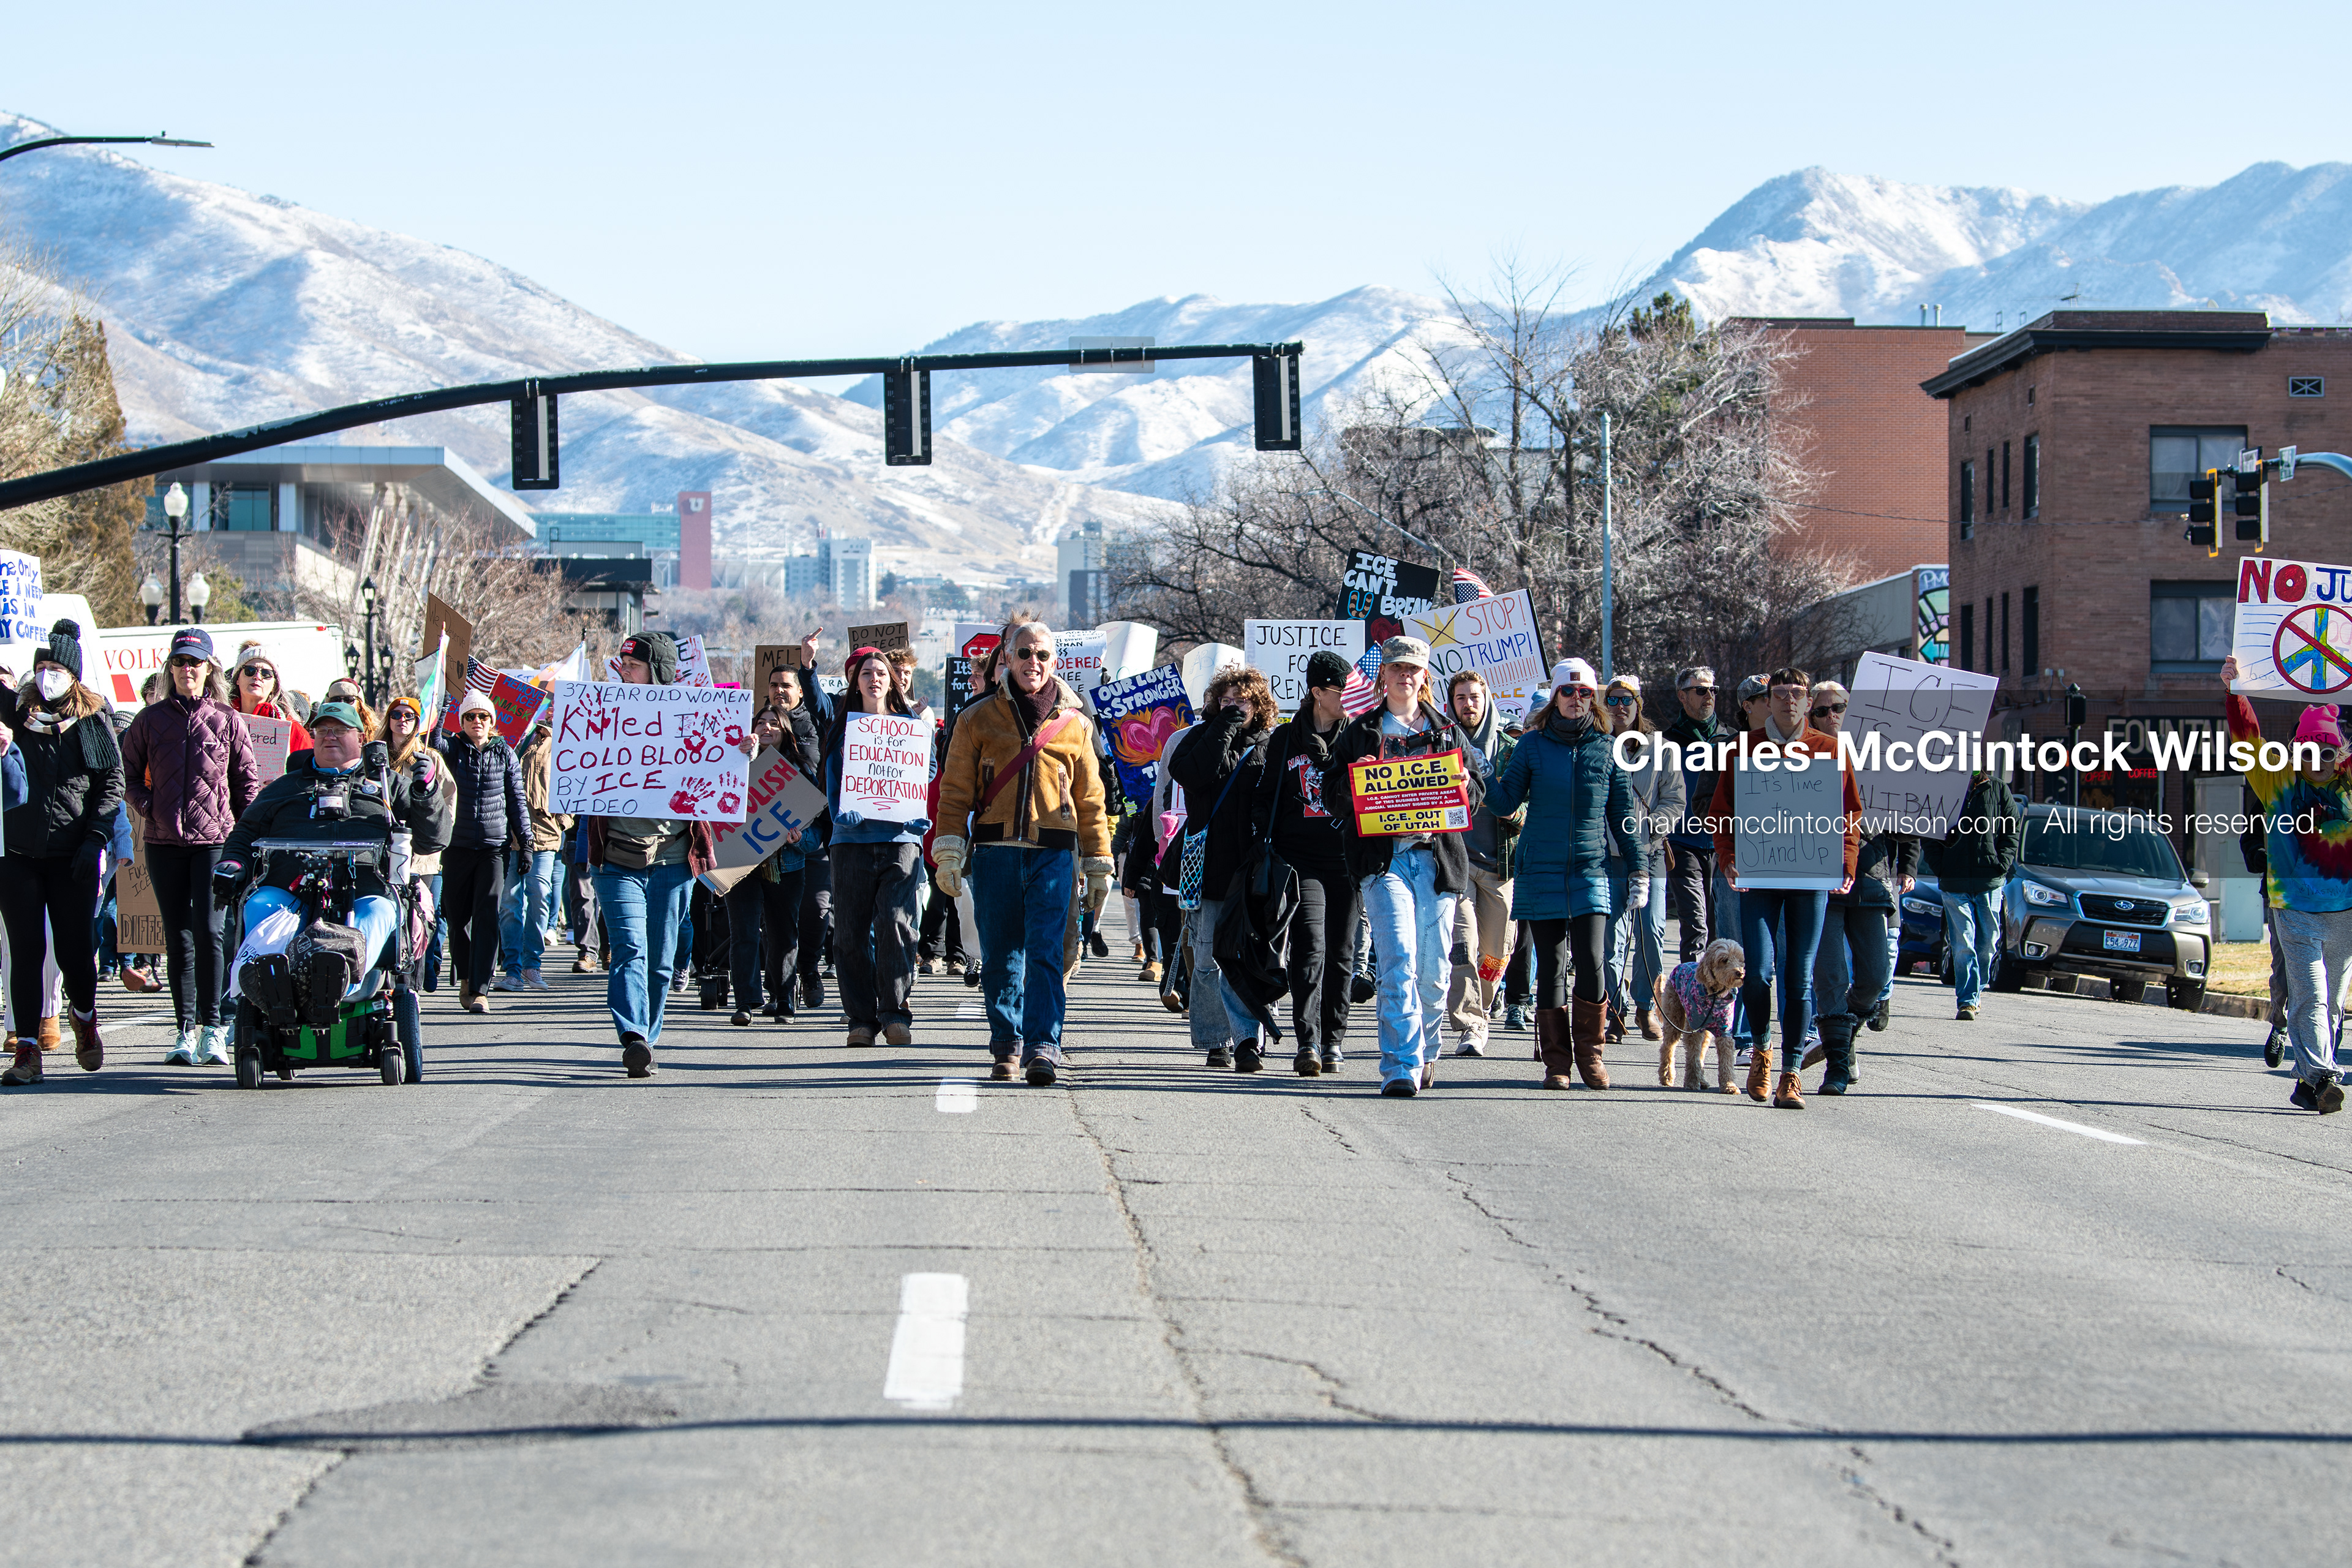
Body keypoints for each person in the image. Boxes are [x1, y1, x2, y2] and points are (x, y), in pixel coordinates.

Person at [933, 617, 1112, 1084]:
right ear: (1007, 659)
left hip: (1054, 854)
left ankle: (1042, 1047)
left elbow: (1092, 800)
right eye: (1025, 653)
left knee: (1048, 953)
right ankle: (1006, 1045)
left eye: (1043, 655)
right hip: (994, 853)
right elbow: (953, 792)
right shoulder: (974, 718)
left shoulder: (1075, 724)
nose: (1034, 662)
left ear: (1055, 662)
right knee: (1001, 955)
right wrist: (949, 852)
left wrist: (1098, 866)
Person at [1324, 636, 1488, 1097]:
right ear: (1384, 675)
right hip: (1384, 863)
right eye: (1396, 667)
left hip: (1435, 863)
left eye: (1412, 669)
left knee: (1434, 974)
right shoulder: (1359, 731)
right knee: (1397, 962)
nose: (1404, 675)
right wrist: (1355, 780)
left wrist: (1462, 783)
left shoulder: (1448, 731)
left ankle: (1427, 1049)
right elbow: (1329, 795)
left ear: (1424, 677)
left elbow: (1474, 798)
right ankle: (1399, 1065)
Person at [216, 699, 451, 1011]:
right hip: (291, 886)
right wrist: (233, 863)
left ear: (361, 738)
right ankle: (271, 987)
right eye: (323, 730)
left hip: (366, 887)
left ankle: (336, 978)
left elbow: (432, 840)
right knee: (259, 904)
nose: (330, 736)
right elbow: (244, 834)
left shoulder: (387, 785)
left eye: (341, 730)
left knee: (381, 912)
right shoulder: (284, 787)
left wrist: (426, 794)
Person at [1710, 667, 1863, 1109]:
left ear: (1808, 701)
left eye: (1798, 694)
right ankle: (1761, 1050)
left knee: (1798, 977)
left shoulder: (1830, 750)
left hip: (1809, 876)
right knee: (1757, 970)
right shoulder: (1744, 748)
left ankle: (1791, 1072)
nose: (1789, 701)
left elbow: (1850, 813)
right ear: (1769, 699)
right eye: (1781, 694)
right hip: (1760, 874)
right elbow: (1722, 811)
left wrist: (1846, 862)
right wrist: (1729, 858)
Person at [1487, 658, 1635, 1092]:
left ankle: (1591, 1054)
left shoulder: (1608, 748)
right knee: (1549, 964)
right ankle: (1557, 1061)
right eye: (1568, 692)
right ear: (1555, 696)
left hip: (1590, 869)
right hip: (1542, 867)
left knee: (1592, 961)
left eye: (1585, 692)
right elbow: (1505, 800)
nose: (1576, 699)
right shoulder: (1531, 746)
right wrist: (1476, 776)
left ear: (1595, 698)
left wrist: (1641, 868)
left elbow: (1622, 814)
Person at [119, 627, 261, 1067]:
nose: (187, 670)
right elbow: (127, 776)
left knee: (211, 931)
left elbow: (248, 784)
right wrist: (150, 807)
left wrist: (244, 837)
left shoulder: (226, 719)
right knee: (178, 936)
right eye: (180, 662)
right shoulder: (149, 720)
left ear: (209, 669)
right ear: (170, 669)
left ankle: (214, 1028)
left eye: (194, 663)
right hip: (163, 842)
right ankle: (185, 1030)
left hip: (214, 843)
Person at [580, 633, 718, 1077]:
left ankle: (648, 1035)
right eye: (622, 665)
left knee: (661, 960)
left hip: (674, 861)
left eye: (634, 666)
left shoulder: (693, 720)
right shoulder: (601, 716)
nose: (624, 672)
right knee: (629, 948)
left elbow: (717, 776)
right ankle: (633, 1035)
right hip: (616, 860)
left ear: (658, 671)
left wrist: (740, 754)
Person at [2220, 654, 2352, 1114]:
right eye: (2308, 751)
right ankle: (2321, 1075)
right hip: (2293, 907)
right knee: (2311, 994)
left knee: (2332, 1003)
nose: (2318, 760)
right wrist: (2237, 693)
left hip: (2345, 912)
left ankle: (2307, 1083)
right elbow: (2247, 740)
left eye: (2327, 752)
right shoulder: (2276, 779)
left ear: (2341, 755)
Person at [0, 624, 124, 1085]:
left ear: (73, 676)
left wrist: (96, 837)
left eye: (56, 668)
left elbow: (112, 784)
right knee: (27, 949)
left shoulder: (90, 721)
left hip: (73, 852)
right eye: (42, 668)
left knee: (75, 952)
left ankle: (84, 1015)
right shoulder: (15, 713)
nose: (47, 675)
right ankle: (27, 1051)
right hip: (17, 853)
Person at [1803, 679, 1915, 1095]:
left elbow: (1912, 814)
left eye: (1841, 707)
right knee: (1830, 975)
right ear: (1810, 715)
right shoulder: (1797, 756)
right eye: (1823, 710)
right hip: (1818, 882)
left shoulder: (1881, 757)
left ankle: (1843, 1035)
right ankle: (1837, 1063)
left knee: (1875, 975)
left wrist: (1910, 864)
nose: (1834, 716)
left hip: (1869, 879)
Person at [1169, 663, 1280, 1072]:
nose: (1233, 706)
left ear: (1259, 705)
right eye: (1225, 700)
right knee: (1207, 958)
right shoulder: (1199, 737)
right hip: (1208, 864)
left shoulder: (1271, 743)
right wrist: (1222, 728)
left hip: (1253, 867)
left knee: (1250, 956)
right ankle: (1217, 1039)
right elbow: (1193, 777)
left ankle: (1249, 1038)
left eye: (1242, 701)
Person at [1256, 650, 1362, 1076]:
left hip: (1347, 859)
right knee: (1310, 948)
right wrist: (1272, 845)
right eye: (1343, 691)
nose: (1351, 698)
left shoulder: (1359, 735)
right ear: (1318, 693)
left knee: (1342, 952)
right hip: (1300, 861)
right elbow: (1264, 798)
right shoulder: (1284, 740)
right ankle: (1308, 1042)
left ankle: (1334, 1039)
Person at [821, 647, 933, 1047]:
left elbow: (928, 771)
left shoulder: (911, 724)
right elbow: (832, 777)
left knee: (895, 924)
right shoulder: (843, 728)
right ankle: (861, 1020)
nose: (874, 678)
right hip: (851, 841)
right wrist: (840, 813)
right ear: (857, 682)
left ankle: (895, 1013)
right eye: (866, 672)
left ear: (892, 681)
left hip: (901, 839)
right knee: (849, 934)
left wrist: (918, 810)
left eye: (881, 672)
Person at [728, 661, 818, 1025]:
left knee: (784, 933)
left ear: (785, 733)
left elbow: (816, 834)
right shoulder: (734, 767)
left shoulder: (801, 775)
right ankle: (746, 1001)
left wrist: (800, 840)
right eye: (760, 723)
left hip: (787, 865)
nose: (765, 728)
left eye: (773, 725)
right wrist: (743, 758)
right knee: (745, 933)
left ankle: (783, 998)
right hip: (740, 862)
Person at [1441, 669, 1521, 1059]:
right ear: (1451, 704)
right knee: (1464, 946)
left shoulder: (1510, 748)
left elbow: (1526, 807)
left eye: (1475, 697)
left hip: (1501, 865)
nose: (1468, 704)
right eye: (1461, 698)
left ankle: (1482, 1009)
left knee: (1495, 954)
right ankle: (1470, 1023)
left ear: (1487, 700)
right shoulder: (1439, 745)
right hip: (1458, 862)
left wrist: (1499, 799)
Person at [434, 690, 527, 1014]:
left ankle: (479, 989)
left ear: (492, 723)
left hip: (493, 848)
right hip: (456, 847)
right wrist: (441, 705)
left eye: (483, 717)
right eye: (470, 717)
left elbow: (517, 800)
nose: (477, 722)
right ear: (461, 722)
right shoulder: (453, 749)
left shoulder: (506, 754)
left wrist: (526, 842)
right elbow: (432, 743)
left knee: (487, 915)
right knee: (457, 918)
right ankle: (464, 976)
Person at [1602, 674, 1680, 1052]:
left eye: (1626, 700)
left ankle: (1646, 1005)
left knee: (1653, 932)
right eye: (1613, 700)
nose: (1620, 707)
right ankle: (1613, 1009)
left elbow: (1675, 800)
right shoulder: (1596, 746)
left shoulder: (1662, 749)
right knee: (1610, 938)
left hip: (1650, 854)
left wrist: (1647, 828)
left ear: (1638, 705)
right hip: (1606, 856)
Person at [1926, 763, 2020, 1024]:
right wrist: (1940, 867)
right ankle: (1967, 1001)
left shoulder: (1998, 789)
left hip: (1989, 880)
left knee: (1988, 944)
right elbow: (1927, 830)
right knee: (1964, 943)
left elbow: (2012, 828)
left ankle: (1976, 993)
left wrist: (2002, 863)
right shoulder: (1942, 789)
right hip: (1954, 881)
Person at [380, 697, 452, 989]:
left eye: (410, 715)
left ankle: (422, 972)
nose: (402, 720)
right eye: (396, 714)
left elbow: (448, 801)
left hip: (422, 854)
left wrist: (434, 829)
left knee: (424, 915)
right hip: (384, 852)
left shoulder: (430, 758)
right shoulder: (375, 756)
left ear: (418, 722)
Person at [494, 718, 569, 992]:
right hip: (509, 833)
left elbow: (572, 780)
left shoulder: (557, 740)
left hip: (544, 833)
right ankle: (512, 969)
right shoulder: (506, 738)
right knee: (510, 901)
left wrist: (563, 820)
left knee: (539, 894)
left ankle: (532, 965)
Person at [1660, 666, 1725, 963]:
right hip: (1682, 843)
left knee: (1721, 929)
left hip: (1724, 846)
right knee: (1696, 925)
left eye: (1713, 690)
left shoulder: (1731, 739)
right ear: (1682, 696)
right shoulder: (1666, 742)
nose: (1709, 695)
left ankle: (1718, 1002)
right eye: (1701, 690)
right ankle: (1690, 998)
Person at [228, 641, 314, 756]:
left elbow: (302, 772)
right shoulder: (220, 720)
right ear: (237, 678)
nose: (257, 677)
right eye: (250, 670)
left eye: (266, 674)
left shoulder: (293, 731)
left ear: (274, 685)